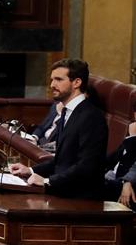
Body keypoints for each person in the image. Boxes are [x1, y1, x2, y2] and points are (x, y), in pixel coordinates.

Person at [10, 59, 108, 199]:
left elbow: (87, 166)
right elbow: (62, 161)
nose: (52, 85)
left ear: (77, 82)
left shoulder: (91, 116)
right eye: (51, 80)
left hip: (80, 200)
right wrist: (30, 170)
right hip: (62, 190)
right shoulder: (67, 112)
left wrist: (47, 181)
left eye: (58, 79)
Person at [105, 120, 136, 209]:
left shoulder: (132, 140)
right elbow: (112, 159)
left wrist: (126, 181)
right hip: (115, 181)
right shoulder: (127, 142)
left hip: (126, 185)